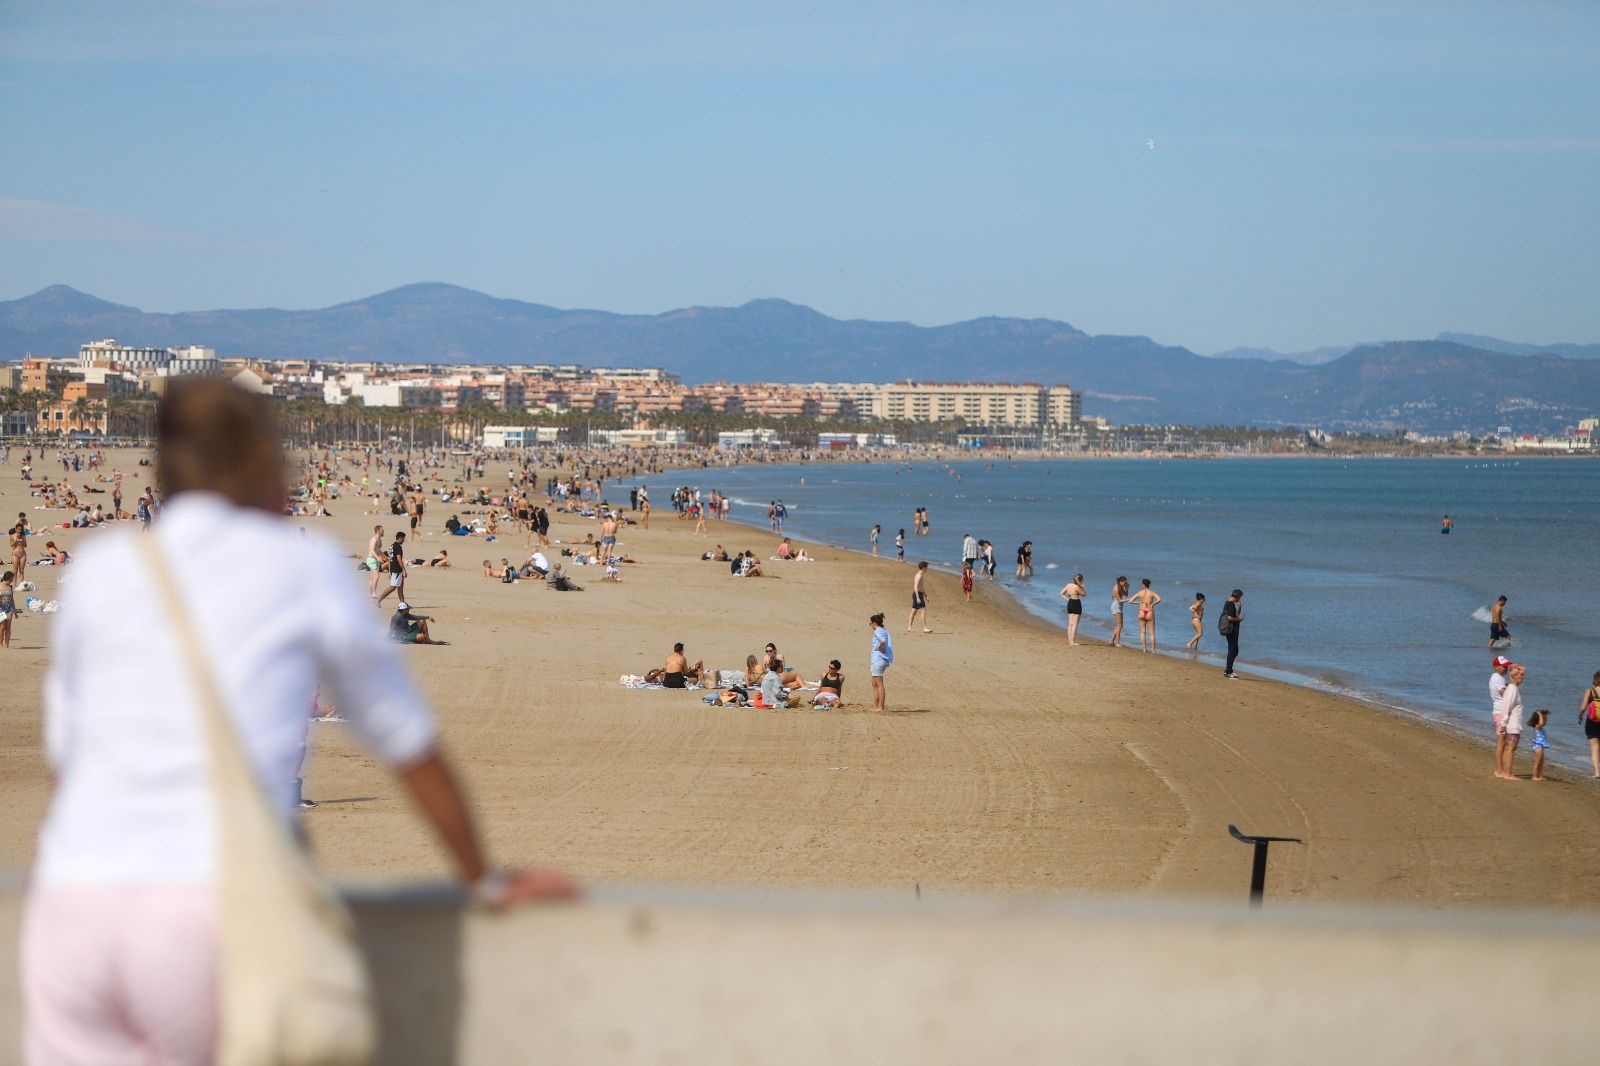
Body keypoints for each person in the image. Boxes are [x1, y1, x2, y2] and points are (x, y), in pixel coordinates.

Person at [22, 378, 575, 1065]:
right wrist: (483, 879)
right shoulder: (300, 565)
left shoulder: (104, 568)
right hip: (206, 906)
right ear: (264, 461)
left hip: (74, 908)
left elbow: (66, 764)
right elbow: (409, 746)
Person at [1498, 663, 1526, 780]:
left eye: (1523, 675)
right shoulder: (1512, 689)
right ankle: (1508, 773)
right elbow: (1506, 707)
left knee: (1509, 748)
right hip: (1512, 725)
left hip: (1513, 724)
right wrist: (1503, 725)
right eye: (1522, 675)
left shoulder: (1512, 688)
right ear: (1515, 676)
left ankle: (1506, 772)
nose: (1523, 677)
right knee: (1510, 748)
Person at [1490, 655, 1512, 775]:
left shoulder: (1499, 678)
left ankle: (1501, 768)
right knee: (1501, 741)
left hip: (1501, 712)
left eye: (1507, 666)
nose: (1506, 669)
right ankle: (1499, 769)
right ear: (1496, 667)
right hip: (1500, 712)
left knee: (1503, 741)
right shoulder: (1497, 678)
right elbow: (1505, 694)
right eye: (1504, 666)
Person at [868, 612, 893, 713]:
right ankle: (876, 705)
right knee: (874, 683)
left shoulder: (878, 631)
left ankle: (880, 706)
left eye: (870, 624)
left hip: (878, 659)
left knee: (878, 683)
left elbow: (883, 641)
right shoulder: (883, 630)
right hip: (880, 659)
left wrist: (880, 647)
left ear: (874, 623)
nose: (870, 626)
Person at [375, 531, 408, 606]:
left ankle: (403, 604)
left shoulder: (391, 546)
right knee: (393, 587)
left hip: (394, 569)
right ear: (400, 538)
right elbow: (399, 559)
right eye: (403, 539)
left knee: (400, 587)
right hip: (397, 570)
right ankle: (378, 600)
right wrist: (404, 570)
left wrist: (390, 571)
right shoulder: (398, 547)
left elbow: (389, 559)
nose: (404, 540)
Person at [1579, 670, 1600, 779]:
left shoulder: (1590, 691)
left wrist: (1580, 715)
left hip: (1592, 721)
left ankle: (1597, 772)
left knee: (1595, 747)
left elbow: (1583, 707)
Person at [1131, 578, 1161, 653]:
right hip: (1149, 611)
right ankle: (1153, 650)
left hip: (1141, 611)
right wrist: (1153, 604)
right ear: (1149, 585)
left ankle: (1144, 649)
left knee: (1142, 632)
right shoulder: (1152, 592)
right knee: (1152, 633)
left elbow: (1130, 601)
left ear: (1143, 584)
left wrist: (1139, 603)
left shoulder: (1139, 593)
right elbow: (1159, 599)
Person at [1220, 588, 1244, 678]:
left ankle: (1229, 670)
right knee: (1232, 650)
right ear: (1237, 596)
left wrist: (1239, 607)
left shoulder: (1230, 603)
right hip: (1231, 629)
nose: (1240, 599)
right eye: (1240, 597)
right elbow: (1230, 618)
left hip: (1233, 629)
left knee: (1234, 650)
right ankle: (1228, 671)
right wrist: (1239, 619)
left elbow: (1235, 614)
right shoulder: (1230, 604)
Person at [1059, 573, 1085, 645]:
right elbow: (1084, 594)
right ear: (1080, 580)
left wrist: (1066, 598)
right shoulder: (1077, 587)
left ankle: (1070, 640)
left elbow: (1061, 593)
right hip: (1076, 603)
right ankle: (1072, 641)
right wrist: (1083, 587)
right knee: (1075, 624)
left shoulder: (1068, 585)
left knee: (1070, 624)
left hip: (1070, 603)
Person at [908, 560, 930, 633]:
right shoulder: (919, 576)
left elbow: (921, 587)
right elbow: (915, 586)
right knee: (923, 611)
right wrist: (917, 597)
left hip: (919, 594)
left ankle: (909, 627)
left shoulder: (920, 575)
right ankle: (925, 628)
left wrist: (926, 596)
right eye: (927, 567)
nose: (927, 569)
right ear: (924, 568)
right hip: (917, 594)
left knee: (913, 611)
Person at [1528, 709, 1550, 782]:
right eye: (1545, 719)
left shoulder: (1540, 728)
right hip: (1538, 746)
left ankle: (1540, 775)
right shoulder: (1538, 726)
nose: (1545, 721)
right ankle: (1534, 776)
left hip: (1541, 746)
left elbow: (1542, 723)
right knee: (1537, 762)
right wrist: (1540, 714)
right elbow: (1541, 723)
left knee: (1541, 762)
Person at [1109, 576, 1129, 648]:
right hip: (1116, 606)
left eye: (1126, 582)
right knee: (1119, 625)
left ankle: (1111, 641)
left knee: (1119, 625)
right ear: (1120, 581)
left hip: (1119, 606)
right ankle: (1117, 642)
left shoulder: (1120, 587)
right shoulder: (1116, 588)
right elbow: (1119, 600)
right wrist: (1129, 600)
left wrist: (1127, 587)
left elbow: (1126, 594)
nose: (1125, 583)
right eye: (1124, 582)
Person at [0, 569, 15, 649]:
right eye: (12, 579)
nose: (12, 580)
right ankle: (1, 644)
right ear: (8, 578)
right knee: (2, 627)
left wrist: (15, 611)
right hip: (1, 608)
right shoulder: (0, 585)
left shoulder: (10, 587)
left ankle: (7, 645)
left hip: (9, 608)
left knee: (8, 627)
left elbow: (12, 599)